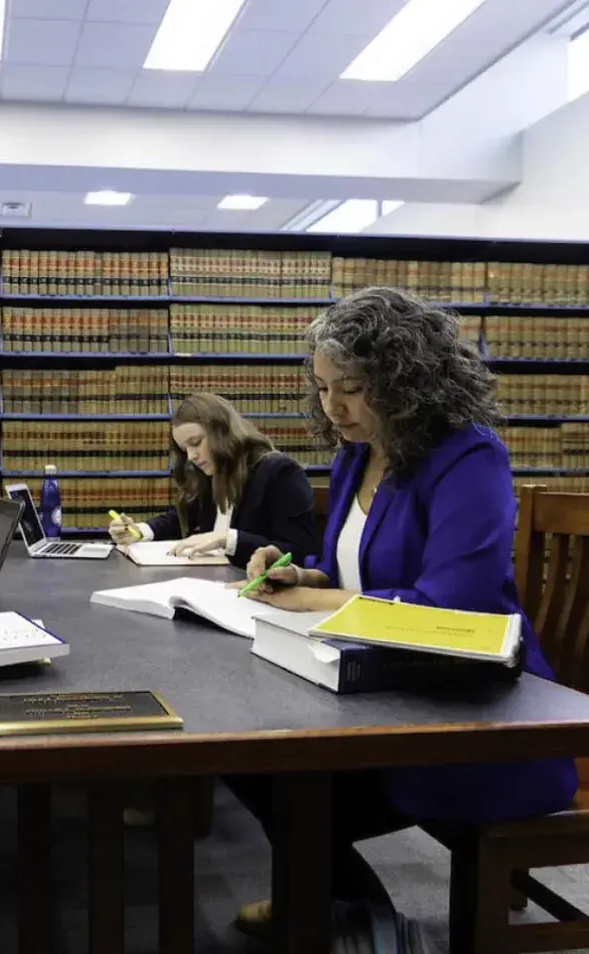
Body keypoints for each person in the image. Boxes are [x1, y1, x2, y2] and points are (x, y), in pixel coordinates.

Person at [230, 287, 578, 935]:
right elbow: (353, 572)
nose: (332, 408)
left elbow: (454, 605)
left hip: (472, 715)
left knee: (286, 781)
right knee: (246, 754)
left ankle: (348, 918)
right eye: (323, 388)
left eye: (352, 389)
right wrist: (299, 574)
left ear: (407, 381)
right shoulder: (357, 453)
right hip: (386, 693)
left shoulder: (468, 455)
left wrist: (319, 598)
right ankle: (340, 908)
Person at [107, 392, 317, 568]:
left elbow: (300, 552)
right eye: (185, 449)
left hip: (257, 589)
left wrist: (228, 538)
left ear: (222, 432)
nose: (191, 456)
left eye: (196, 443)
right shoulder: (210, 473)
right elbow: (179, 519)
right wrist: (138, 531)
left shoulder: (280, 472)